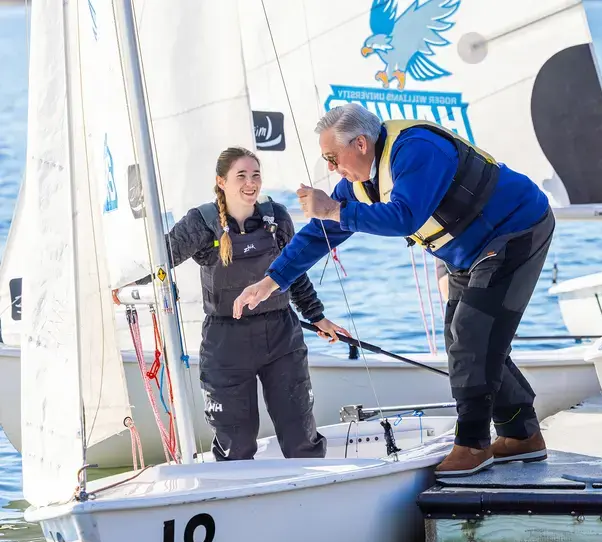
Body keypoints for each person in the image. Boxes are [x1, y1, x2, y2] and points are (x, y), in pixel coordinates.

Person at [232, 104, 554, 477]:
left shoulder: (417, 149)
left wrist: (335, 210)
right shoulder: (357, 180)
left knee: (473, 336)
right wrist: (270, 282)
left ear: (362, 144)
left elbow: (405, 216)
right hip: (467, 251)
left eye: (332, 157)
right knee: (462, 338)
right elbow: (321, 234)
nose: (332, 167)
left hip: (515, 230)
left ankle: (473, 444)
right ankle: (522, 436)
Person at [135, 146, 349, 462]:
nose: (250, 183)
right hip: (226, 342)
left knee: (300, 437)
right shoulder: (202, 223)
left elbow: (293, 270)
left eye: (256, 175)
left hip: (280, 335)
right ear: (221, 181)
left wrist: (317, 316)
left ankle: (309, 495)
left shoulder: (275, 217)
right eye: (241, 176)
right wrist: (129, 282)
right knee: (236, 446)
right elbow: (157, 260)